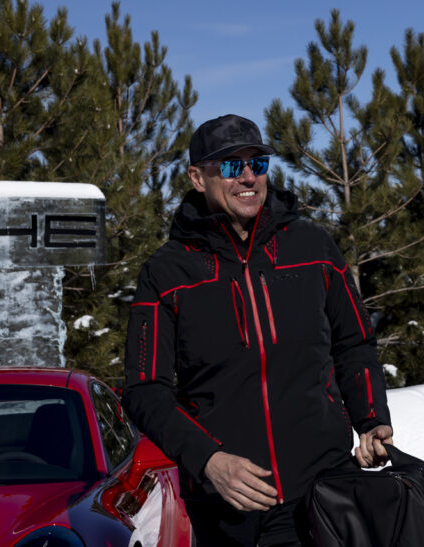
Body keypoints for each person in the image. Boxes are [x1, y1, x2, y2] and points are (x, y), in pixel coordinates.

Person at [121, 114, 393, 546]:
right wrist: (208, 461)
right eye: (231, 166)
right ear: (197, 178)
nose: (248, 177)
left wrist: (371, 418)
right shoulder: (167, 272)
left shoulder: (313, 247)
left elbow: (354, 342)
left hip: (324, 488)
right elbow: (145, 389)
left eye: (258, 163)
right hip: (229, 509)